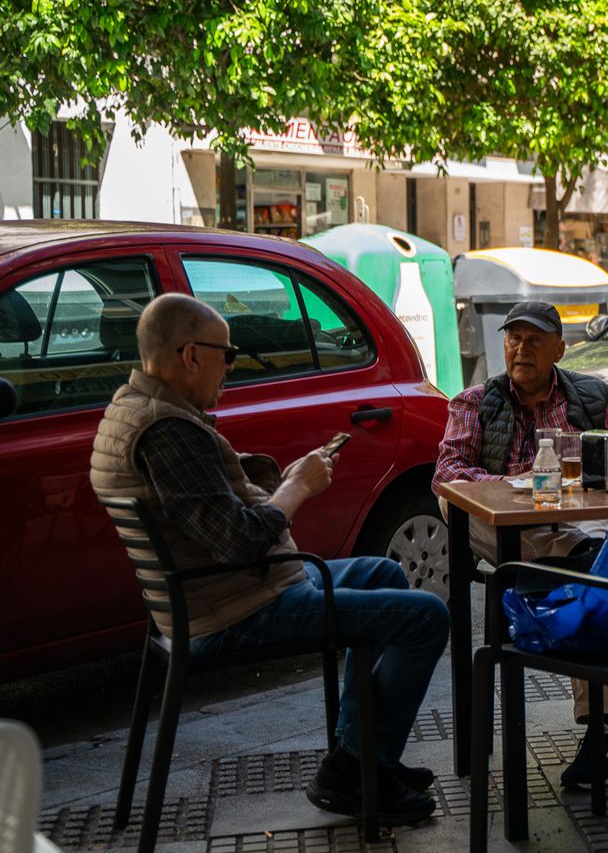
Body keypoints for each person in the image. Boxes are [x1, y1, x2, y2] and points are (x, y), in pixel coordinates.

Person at [90, 294, 449, 824]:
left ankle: (362, 760)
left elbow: (217, 510)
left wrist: (281, 480)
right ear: (191, 355)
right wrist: (296, 489)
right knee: (427, 616)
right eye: (226, 353)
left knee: (385, 573)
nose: (230, 366)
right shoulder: (166, 431)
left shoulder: (135, 409)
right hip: (235, 607)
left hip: (233, 586)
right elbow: (240, 541)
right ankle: (356, 768)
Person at [433, 300, 608, 793]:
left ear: (559, 348)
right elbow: (448, 474)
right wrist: (513, 484)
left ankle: (602, 730)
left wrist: (590, 467)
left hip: (582, 522)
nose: (521, 348)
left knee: (600, 544)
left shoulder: (593, 397)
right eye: (514, 338)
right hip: (510, 529)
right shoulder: (472, 403)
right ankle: (586, 570)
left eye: (533, 339)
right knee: (459, 507)